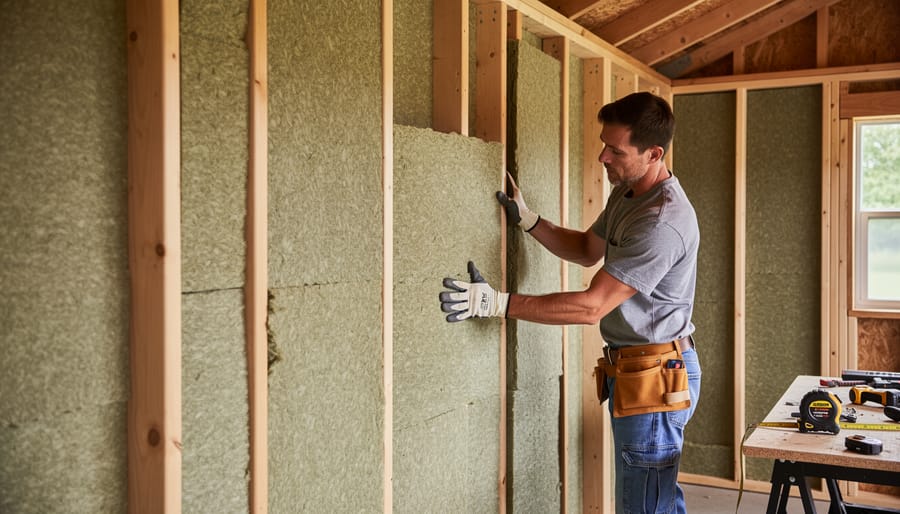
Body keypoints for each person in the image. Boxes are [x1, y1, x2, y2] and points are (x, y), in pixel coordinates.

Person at [439, 91, 701, 514]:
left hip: (655, 378)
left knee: (647, 508)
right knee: (650, 502)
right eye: (604, 144)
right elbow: (586, 249)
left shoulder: (662, 221)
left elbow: (591, 306)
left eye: (615, 150)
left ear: (654, 153)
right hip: (636, 371)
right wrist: (530, 221)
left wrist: (497, 304)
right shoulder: (629, 193)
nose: (602, 157)